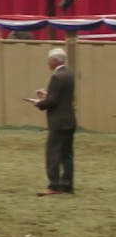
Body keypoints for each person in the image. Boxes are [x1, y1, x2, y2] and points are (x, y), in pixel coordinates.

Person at [30, 48, 76, 196]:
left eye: (49, 59)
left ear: (55, 60)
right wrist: (47, 94)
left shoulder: (56, 76)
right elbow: (61, 96)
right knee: (67, 154)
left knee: (52, 153)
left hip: (58, 122)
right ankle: (67, 184)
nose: (47, 62)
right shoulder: (69, 74)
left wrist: (39, 103)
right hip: (69, 119)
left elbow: (52, 102)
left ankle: (54, 185)